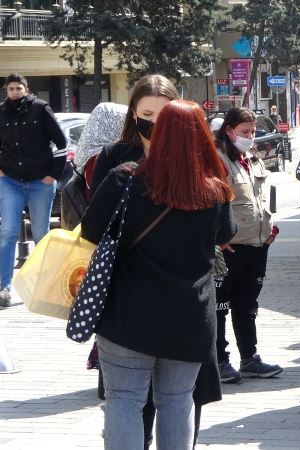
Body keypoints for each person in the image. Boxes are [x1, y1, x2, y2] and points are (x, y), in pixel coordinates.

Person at [81, 99, 236, 450]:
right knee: (179, 399)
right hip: (189, 316)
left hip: (127, 314)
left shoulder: (125, 178)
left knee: (123, 399)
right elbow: (226, 234)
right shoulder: (214, 189)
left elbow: (90, 230)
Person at [214, 107, 283, 384]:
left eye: (252, 132)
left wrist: (270, 227)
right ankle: (218, 360)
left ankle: (250, 359)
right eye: (244, 132)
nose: (250, 137)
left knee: (247, 305)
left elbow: (259, 198)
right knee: (219, 305)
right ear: (229, 131)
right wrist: (218, 237)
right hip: (230, 247)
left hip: (257, 244)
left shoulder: (252, 158)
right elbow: (212, 202)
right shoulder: (217, 160)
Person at [0, 73, 66, 308]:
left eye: (19, 88)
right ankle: (3, 288)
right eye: (11, 89)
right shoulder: (2, 111)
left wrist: (53, 175)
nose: (15, 92)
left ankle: (46, 286)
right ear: (6, 91)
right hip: (10, 182)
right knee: (7, 233)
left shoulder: (40, 109)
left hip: (41, 182)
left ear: (26, 90)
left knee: (40, 233)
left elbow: (62, 143)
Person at [89, 74, 178, 196]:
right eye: (147, 114)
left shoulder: (188, 152)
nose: (155, 121)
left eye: (163, 114)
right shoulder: (112, 154)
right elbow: (96, 208)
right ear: (134, 114)